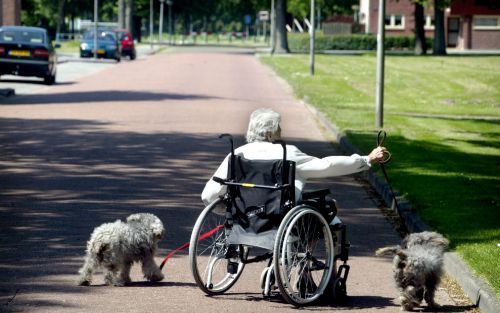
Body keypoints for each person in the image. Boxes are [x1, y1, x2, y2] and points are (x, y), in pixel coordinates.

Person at [201, 108, 388, 206]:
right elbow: (326, 166)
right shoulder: (286, 153)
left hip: (243, 213)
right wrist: (366, 160)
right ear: (269, 134)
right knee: (327, 209)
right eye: (278, 128)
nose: (281, 131)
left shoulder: (237, 154)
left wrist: (223, 208)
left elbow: (209, 193)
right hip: (278, 211)